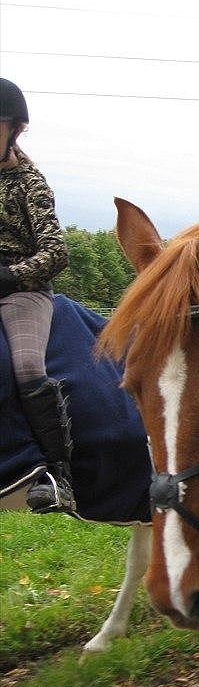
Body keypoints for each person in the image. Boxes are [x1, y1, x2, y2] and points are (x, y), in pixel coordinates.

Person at [0, 78, 75, 513]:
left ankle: (55, 472)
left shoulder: (30, 183)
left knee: (28, 366)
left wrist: (11, 276)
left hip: (21, 291)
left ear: (15, 130)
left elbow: (56, 251)